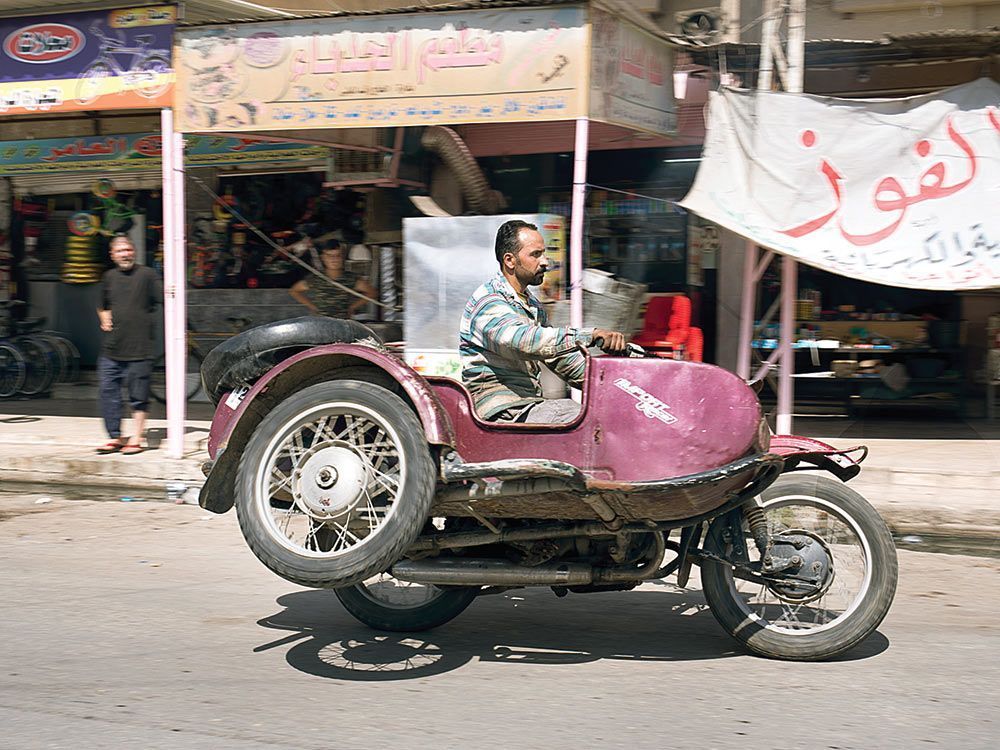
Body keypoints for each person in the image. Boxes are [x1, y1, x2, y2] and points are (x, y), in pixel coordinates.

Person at [460, 219, 627, 423]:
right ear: (510, 260)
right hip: (501, 410)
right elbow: (524, 342)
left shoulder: (531, 304)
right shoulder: (489, 302)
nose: (545, 261)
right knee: (584, 420)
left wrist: (615, 381)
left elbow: (561, 359)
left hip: (528, 404)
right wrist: (588, 335)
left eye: (543, 253)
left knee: (609, 416)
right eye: (535, 254)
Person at [95, 235, 162, 454]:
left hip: (140, 347)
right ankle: (115, 436)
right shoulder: (108, 277)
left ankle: (136, 438)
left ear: (134, 251)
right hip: (112, 347)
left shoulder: (147, 275)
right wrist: (104, 317)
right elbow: (102, 304)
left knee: (139, 394)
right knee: (108, 392)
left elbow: (165, 299)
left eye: (128, 249)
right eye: (121, 251)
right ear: (112, 255)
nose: (125, 254)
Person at [288, 240, 377, 319]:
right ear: (323, 258)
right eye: (330, 255)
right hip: (321, 323)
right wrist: (312, 306)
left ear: (342, 257)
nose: (334, 259)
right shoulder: (316, 278)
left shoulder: (350, 278)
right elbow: (294, 291)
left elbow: (372, 292)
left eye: (338, 255)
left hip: (343, 323)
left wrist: (352, 307)